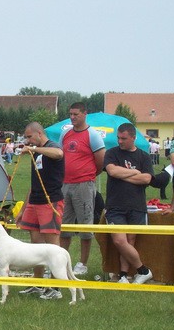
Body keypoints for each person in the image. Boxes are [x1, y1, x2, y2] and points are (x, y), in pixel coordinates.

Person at [15, 122, 65, 300]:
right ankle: (38, 283)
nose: (27, 141)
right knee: (36, 246)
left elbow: (59, 154)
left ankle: (56, 287)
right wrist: (23, 209)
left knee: (52, 246)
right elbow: (35, 182)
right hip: (34, 201)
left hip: (50, 201)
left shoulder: (51, 147)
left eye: (29, 137)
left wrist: (35, 148)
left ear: (38, 133)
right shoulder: (35, 152)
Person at [59, 102, 106, 276]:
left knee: (85, 224)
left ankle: (82, 263)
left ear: (85, 114)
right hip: (65, 184)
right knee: (64, 225)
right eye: (70, 114)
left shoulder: (92, 135)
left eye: (76, 114)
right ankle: (61, 262)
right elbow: (60, 155)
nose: (72, 117)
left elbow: (100, 160)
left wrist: (89, 176)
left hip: (84, 185)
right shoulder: (65, 134)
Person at [104, 123, 154, 284]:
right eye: (118, 138)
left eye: (123, 138)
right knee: (119, 241)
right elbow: (112, 171)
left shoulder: (144, 156)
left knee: (129, 241)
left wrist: (122, 174)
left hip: (136, 205)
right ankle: (143, 270)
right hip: (115, 205)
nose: (120, 141)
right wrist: (134, 172)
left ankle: (124, 275)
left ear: (134, 138)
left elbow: (146, 179)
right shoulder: (111, 153)